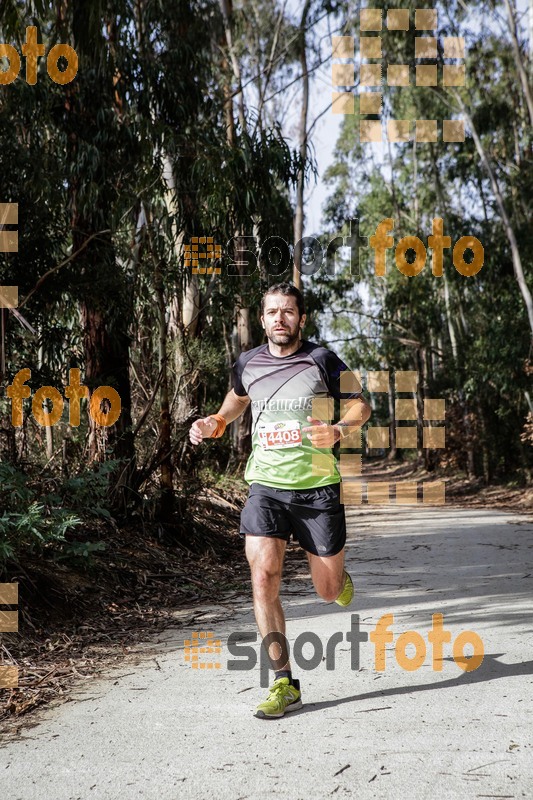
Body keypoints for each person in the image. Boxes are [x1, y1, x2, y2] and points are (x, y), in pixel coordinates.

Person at [189, 282, 371, 718]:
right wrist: (213, 422)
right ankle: (283, 682)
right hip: (266, 486)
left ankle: (338, 581)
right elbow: (232, 405)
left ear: (301, 318)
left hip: (316, 488)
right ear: (262, 318)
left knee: (327, 593)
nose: (279, 319)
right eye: (271, 312)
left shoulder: (322, 359)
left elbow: (361, 406)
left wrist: (339, 431)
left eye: (288, 312)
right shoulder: (247, 362)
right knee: (263, 575)